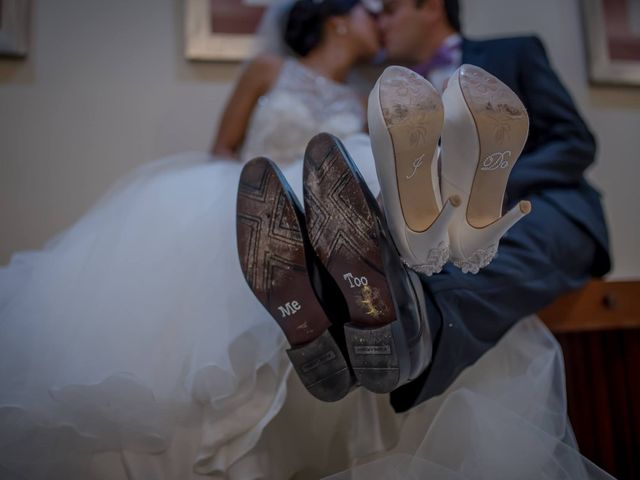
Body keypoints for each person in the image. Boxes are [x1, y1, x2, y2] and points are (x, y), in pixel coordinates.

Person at [0, 1, 387, 478]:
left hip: (317, 220)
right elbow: (223, 147)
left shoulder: (363, 99)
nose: (382, 21)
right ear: (339, 19)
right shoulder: (269, 70)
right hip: (255, 201)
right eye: (373, 10)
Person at [373, 0, 611, 413]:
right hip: (431, 225)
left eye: (390, 10)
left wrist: (489, 181)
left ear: (430, 7)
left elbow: (576, 143)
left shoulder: (512, 52)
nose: (381, 24)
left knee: (500, 250)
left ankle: (421, 322)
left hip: (542, 207)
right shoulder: (383, 97)